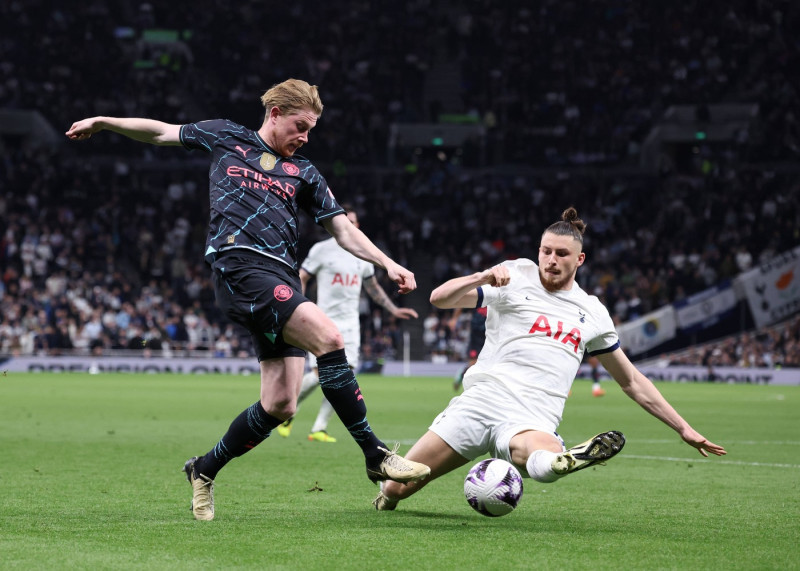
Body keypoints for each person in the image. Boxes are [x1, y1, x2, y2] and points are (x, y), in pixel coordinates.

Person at [66, 78, 430, 521]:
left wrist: (387, 262)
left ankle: (203, 469)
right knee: (330, 337)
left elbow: (342, 229)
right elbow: (161, 131)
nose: (305, 137)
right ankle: (375, 454)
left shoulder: (305, 172)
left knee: (281, 404)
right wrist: (105, 122)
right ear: (274, 113)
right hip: (239, 267)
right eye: (300, 126)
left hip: (280, 280)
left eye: (311, 130)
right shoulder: (226, 135)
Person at [373, 207, 726, 511]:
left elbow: (631, 381)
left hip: (533, 416)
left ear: (580, 259)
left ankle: (564, 459)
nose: (551, 260)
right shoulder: (515, 276)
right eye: (546, 251)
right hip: (481, 402)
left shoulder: (592, 312)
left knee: (547, 462)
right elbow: (439, 299)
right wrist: (482, 276)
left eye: (561, 254)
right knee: (395, 487)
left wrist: (683, 427)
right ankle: (387, 497)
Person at [277, 205, 419, 442]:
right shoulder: (321, 250)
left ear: (358, 227)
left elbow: (372, 288)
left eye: (353, 223)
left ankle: (319, 428)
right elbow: (302, 276)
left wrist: (393, 309)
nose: (350, 226)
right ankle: (287, 412)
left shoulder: (363, 254)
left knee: (345, 375)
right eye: (346, 222)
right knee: (319, 374)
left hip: (351, 324)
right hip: (322, 319)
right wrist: (296, 306)